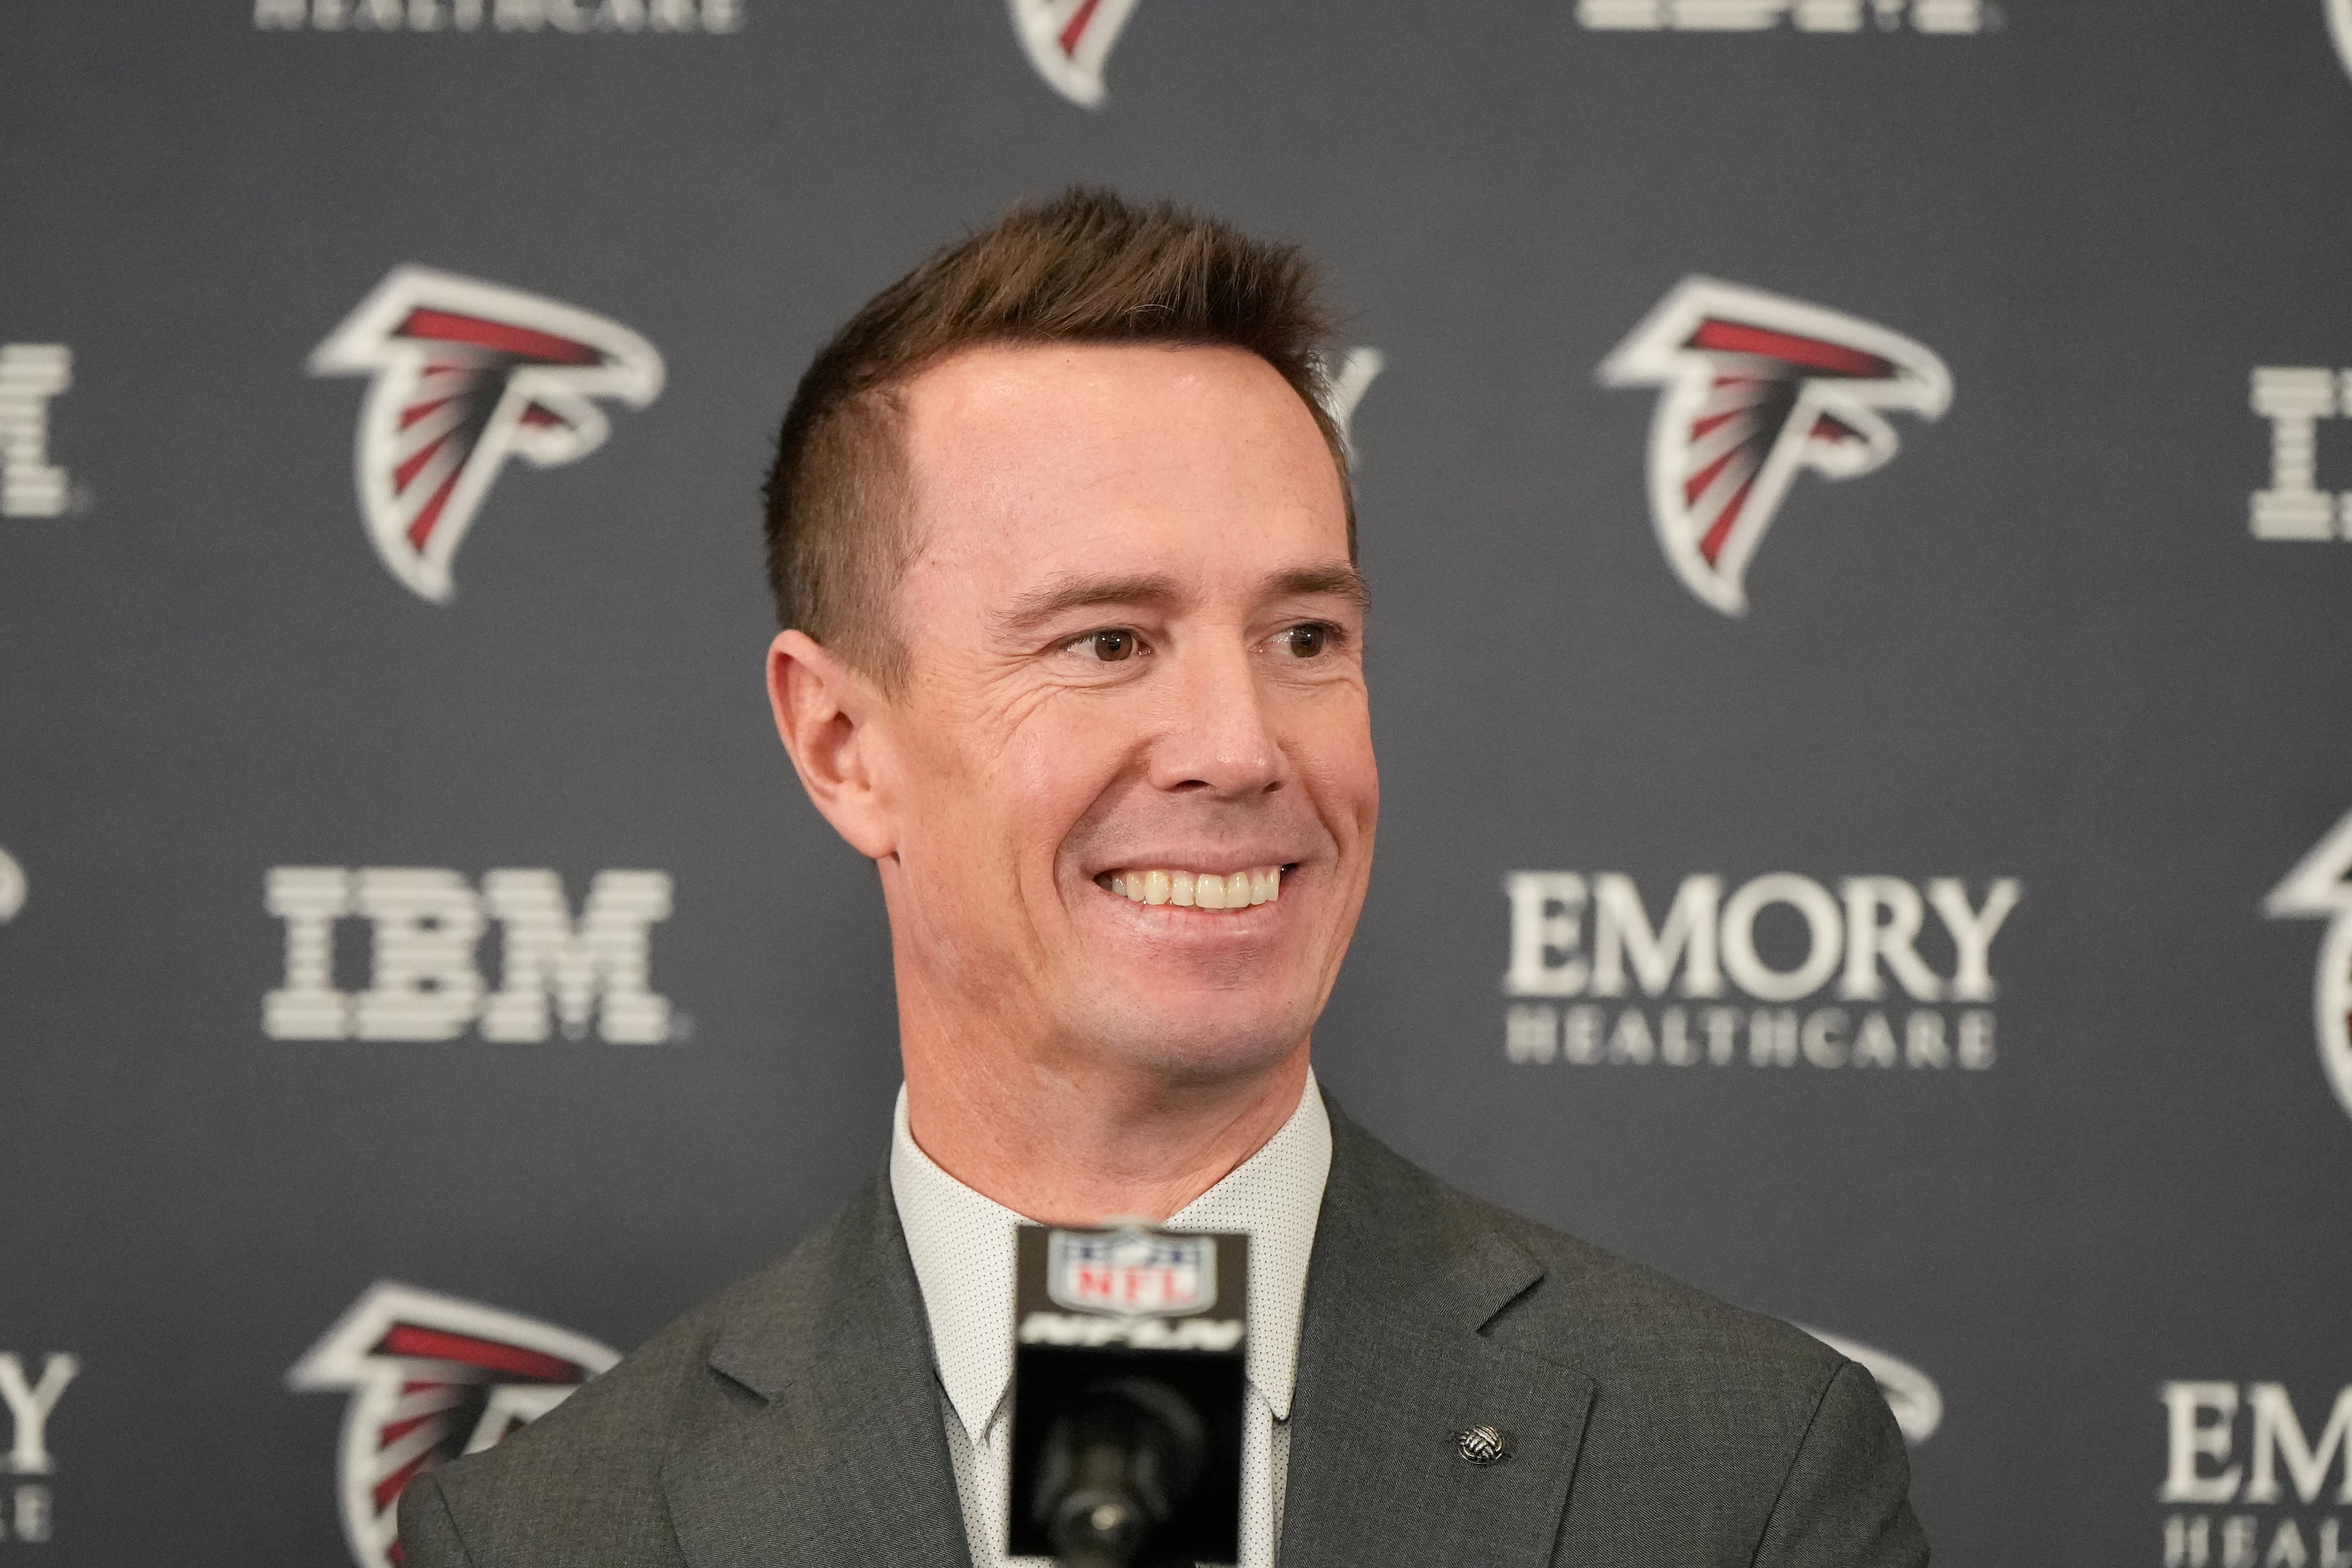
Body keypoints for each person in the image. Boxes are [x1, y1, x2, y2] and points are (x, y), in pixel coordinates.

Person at [398, 189, 1928, 1568]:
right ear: (845, 743)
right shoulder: (546, 1534)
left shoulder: (1742, 1466)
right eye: (1108, 641)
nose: (1239, 744)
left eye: (1304, 638)